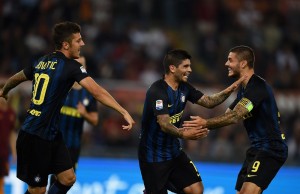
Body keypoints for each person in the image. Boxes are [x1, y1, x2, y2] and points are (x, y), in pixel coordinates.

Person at [0, 21, 135, 194]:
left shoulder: (42, 61)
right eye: (78, 40)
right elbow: (98, 92)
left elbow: (17, 77)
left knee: (68, 178)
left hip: (52, 134)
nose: (82, 44)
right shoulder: (71, 66)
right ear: (65, 44)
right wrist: (123, 111)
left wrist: (5, 90)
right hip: (35, 136)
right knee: (37, 191)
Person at [183, 45, 288, 194]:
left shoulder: (258, 87)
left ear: (243, 63)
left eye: (230, 60)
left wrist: (206, 123)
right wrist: (202, 127)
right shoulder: (244, 90)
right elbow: (227, 113)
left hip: (271, 148)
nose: (226, 64)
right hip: (256, 149)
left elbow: (234, 117)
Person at [138, 49, 244, 194]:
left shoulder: (184, 88)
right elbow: (164, 124)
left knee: (196, 189)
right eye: (186, 66)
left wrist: (230, 89)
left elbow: (209, 102)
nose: (190, 70)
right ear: (172, 68)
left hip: (174, 152)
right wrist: (184, 135)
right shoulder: (157, 91)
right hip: (152, 155)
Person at [49, 56, 98, 186]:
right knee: (54, 178)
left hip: (74, 145)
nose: (80, 68)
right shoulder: (61, 86)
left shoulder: (89, 93)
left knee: (67, 182)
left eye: (83, 65)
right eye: (77, 65)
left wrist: (84, 114)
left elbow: (95, 120)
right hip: (55, 141)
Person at [0, 83, 17, 194]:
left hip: (4, 153)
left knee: (1, 181)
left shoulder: (11, 113)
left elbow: (12, 134)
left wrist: (14, 152)